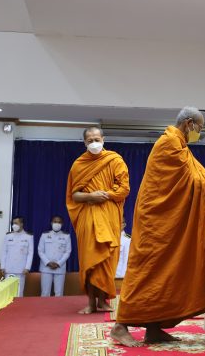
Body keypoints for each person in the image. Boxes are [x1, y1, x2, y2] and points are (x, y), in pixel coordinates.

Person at [110, 107, 205, 346]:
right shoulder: (169, 143)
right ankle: (120, 325)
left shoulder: (180, 145)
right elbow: (193, 181)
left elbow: (194, 180)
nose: (200, 131)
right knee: (146, 271)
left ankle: (154, 328)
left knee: (167, 274)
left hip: (168, 220)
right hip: (156, 220)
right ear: (188, 123)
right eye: (199, 127)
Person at [66, 126, 130, 314]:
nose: (94, 143)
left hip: (109, 215)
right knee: (90, 260)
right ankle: (91, 303)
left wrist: (106, 195)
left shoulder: (114, 160)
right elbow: (74, 196)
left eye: (96, 139)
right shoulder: (79, 164)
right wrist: (91, 196)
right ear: (85, 142)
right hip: (89, 216)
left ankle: (102, 301)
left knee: (107, 259)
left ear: (103, 139)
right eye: (90, 140)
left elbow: (124, 189)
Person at [38, 215, 72, 297]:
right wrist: (48, 263)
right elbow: (40, 251)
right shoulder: (44, 235)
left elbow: (68, 252)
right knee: (45, 293)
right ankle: (44, 309)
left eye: (59, 222)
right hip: (46, 268)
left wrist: (58, 263)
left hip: (60, 268)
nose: (57, 224)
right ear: (51, 223)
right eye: (55, 222)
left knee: (59, 293)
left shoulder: (66, 236)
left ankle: (58, 310)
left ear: (62, 224)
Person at [0, 216, 34, 297]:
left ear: (21, 224)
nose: (14, 225)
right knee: (8, 292)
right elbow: (4, 252)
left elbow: (30, 253)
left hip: (21, 269)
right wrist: (2, 266)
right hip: (9, 269)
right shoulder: (8, 236)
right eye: (13, 223)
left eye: (16, 223)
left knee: (19, 292)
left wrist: (27, 267)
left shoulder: (28, 237)